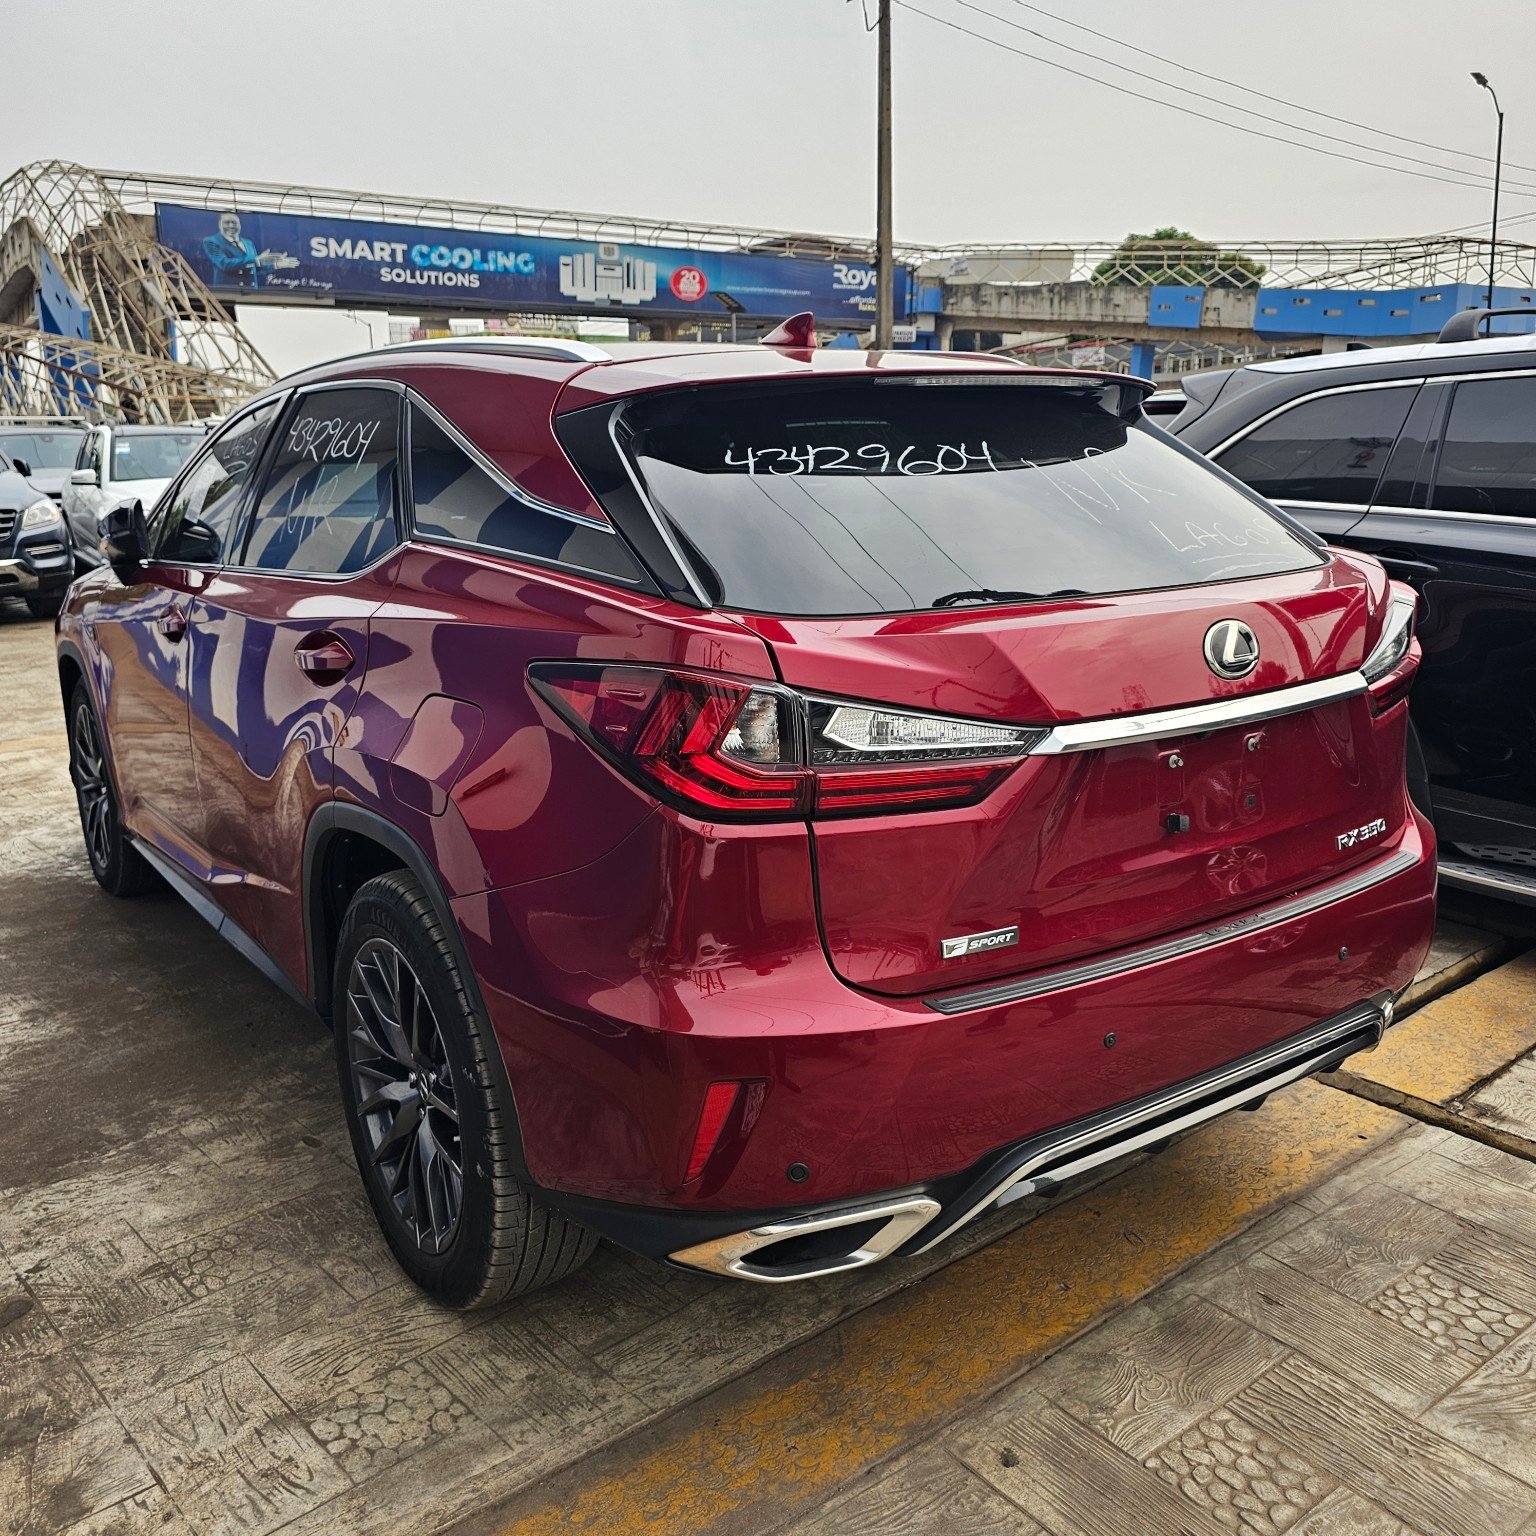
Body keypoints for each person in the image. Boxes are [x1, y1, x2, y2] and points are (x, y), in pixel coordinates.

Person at [201, 212, 298, 288]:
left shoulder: (248, 243)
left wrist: (276, 265)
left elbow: (255, 268)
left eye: (234, 222)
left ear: (240, 225)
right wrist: (257, 260)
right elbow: (224, 264)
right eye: (227, 222)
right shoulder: (211, 241)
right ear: (219, 225)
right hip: (228, 292)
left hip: (250, 291)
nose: (231, 226)